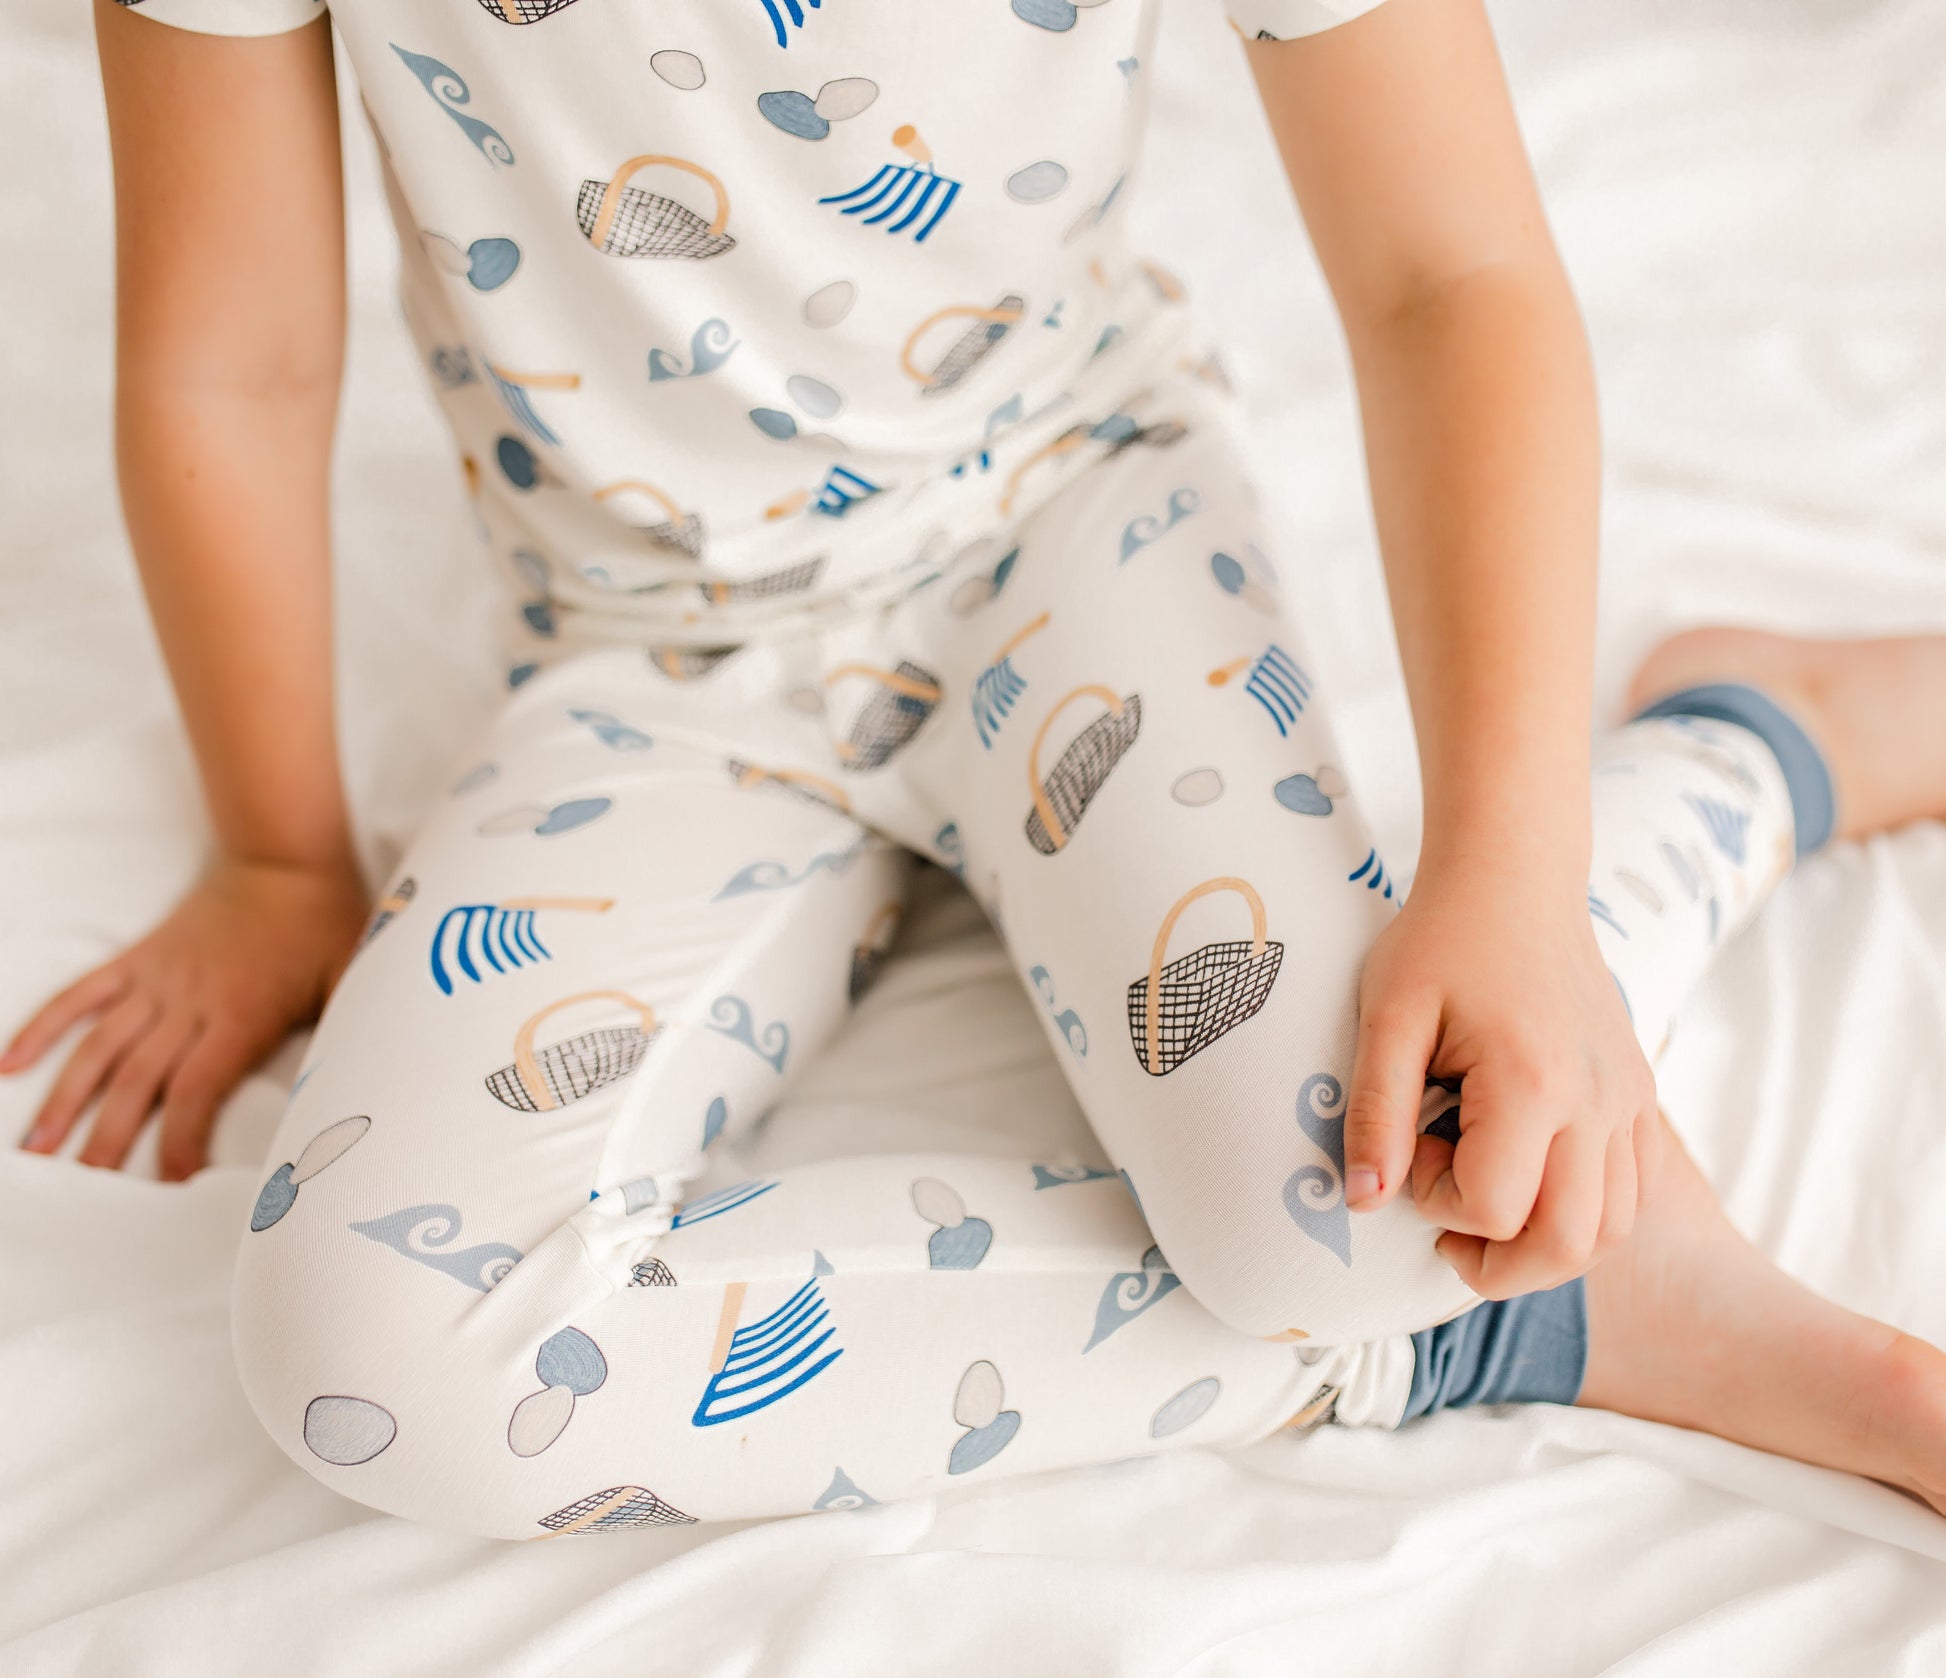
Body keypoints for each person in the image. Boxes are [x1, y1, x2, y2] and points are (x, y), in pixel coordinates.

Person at [4, 0, 1941, 1536]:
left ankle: (1750, 749)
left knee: (1356, 1199)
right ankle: (1512, 1314)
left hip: (1066, 525)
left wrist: (1516, 882)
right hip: (651, 657)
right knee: (378, 1350)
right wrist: (277, 860)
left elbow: (1449, 276)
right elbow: (226, 359)